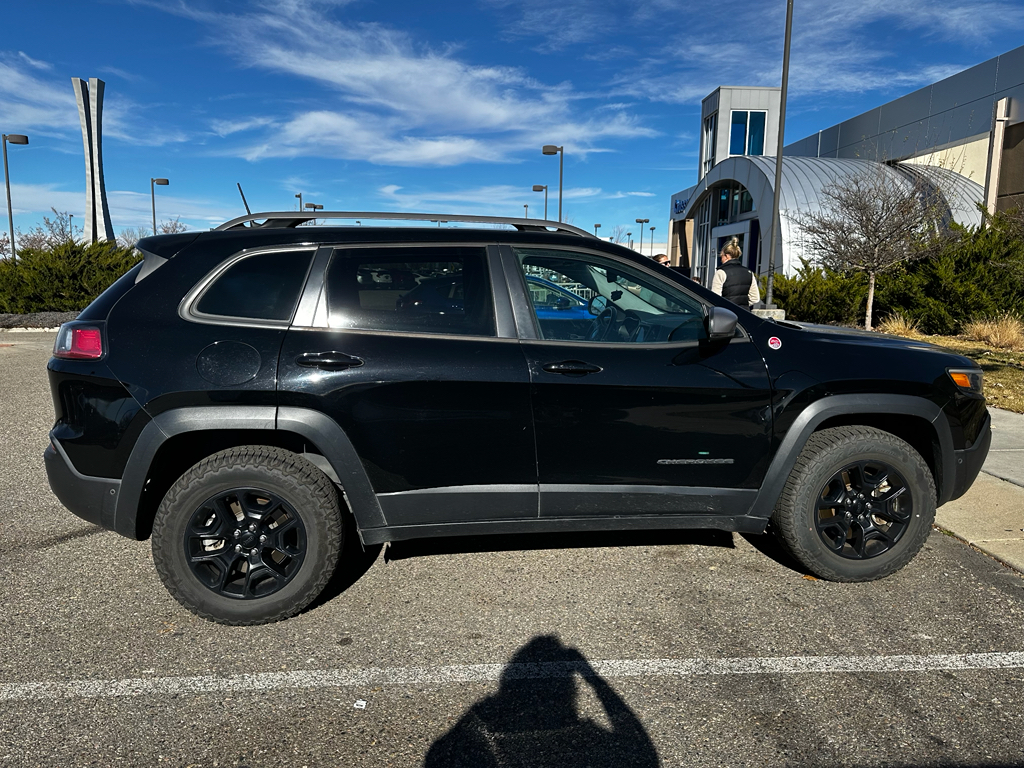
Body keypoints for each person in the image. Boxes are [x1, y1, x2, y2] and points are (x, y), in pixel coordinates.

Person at [711, 237, 760, 308]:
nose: (721, 258)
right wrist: (743, 305)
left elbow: (715, 298)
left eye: (721, 255)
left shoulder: (721, 272)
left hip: (727, 313)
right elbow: (755, 298)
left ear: (727, 256)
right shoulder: (749, 273)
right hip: (744, 313)